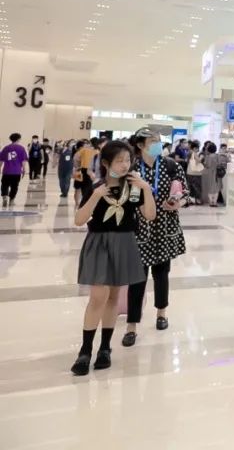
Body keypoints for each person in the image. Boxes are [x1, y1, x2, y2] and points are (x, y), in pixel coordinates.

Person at [70, 140, 156, 375]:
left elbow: (149, 215)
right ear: (106, 164)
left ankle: (105, 348)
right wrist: (96, 196)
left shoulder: (134, 188)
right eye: (119, 161)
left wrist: (146, 189)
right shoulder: (97, 187)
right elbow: (79, 220)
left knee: (113, 298)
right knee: (98, 296)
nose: (125, 165)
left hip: (125, 243)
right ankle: (85, 351)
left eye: (128, 160)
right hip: (99, 243)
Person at [122, 128, 189, 346]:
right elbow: (131, 200)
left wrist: (177, 203)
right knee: (137, 279)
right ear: (140, 145)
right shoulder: (133, 170)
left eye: (159, 141)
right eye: (152, 141)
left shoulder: (171, 166)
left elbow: (185, 194)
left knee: (162, 274)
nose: (157, 144)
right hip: (140, 231)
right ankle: (132, 324)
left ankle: (162, 313)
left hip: (165, 230)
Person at [1, 133, 28, 208]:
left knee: (4, 185)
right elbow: (23, 160)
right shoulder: (21, 148)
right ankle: (11, 200)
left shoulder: (6, 148)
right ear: (18, 139)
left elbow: (1, 159)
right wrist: (24, 169)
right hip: (16, 171)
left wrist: (0, 168)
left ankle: (5, 197)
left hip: (7, 171)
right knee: (14, 186)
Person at [74, 138, 101, 208]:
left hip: (81, 170)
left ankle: (77, 204)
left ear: (90, 143)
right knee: (88, 188)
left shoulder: (84, 149)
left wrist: (78, 166)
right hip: (91, 171)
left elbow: (76, 158)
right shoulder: (98, 152)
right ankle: (85, 203)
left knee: (78, 187)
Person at [201, 142, 223, 207]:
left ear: (209, 149)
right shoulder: (218, 156)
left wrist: (204, 163)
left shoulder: (208, 156)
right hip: (217, 174)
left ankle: (211, 202)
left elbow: (207, 165)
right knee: (216, 188)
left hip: (209, 173)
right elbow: (220, 164)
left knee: (210, 188)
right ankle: (215, 202)